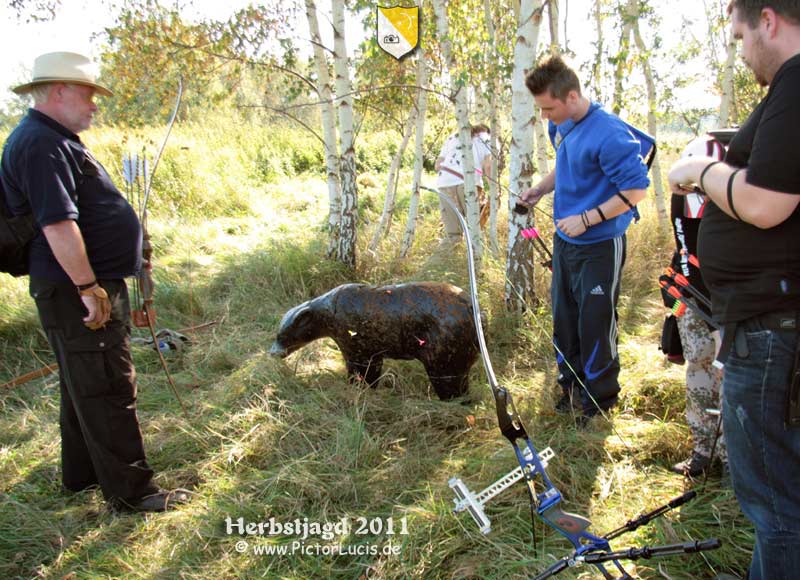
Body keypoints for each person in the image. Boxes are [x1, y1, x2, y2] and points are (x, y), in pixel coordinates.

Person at [0, 51, 188, 512]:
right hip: (77, 290)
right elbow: (58, 225)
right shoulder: (41, 144)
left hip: (86, 287)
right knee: (107, 387)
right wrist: (89, 288)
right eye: (88, 94)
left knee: (82, 383)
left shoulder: (55, 139)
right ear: (59, 91)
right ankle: (132, 494)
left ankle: (81, 476)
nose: (95, 104)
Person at [667, 2, 800, 578]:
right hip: (768, 322)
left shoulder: (795, 84)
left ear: (768, 20)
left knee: (775, 502)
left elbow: (766, 203)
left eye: (741, 35)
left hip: (774, 330)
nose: (742, 50)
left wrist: (698, 171)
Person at [519, 55, 650, 423]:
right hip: (566, 242)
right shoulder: (562, 125)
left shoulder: (610, 133)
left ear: (572, 96)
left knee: (595, 323)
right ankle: (571, 387)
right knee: (565, 319)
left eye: (549, 107)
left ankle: (599, 403)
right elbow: (566, 165)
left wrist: (589, 218)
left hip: (600, 245)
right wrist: (541, 190)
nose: (545, 116)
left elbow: (637, 189)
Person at [667, 134, 728, 477]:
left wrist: (724, 322)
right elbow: (687, 254)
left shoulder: (736, 198)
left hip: (733, 304)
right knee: (699, 368)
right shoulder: (681, 200)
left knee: (730, 378)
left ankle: (736, 461)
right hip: (693, 296)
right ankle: (703, 452)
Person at [434, 124, 492, 243]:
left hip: (444, 182)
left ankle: (452, 258)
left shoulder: (453, 137)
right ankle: (476, 256)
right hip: (468, 182)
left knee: (453, 233)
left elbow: (437, 165)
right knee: (476, 227)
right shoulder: (487, 138)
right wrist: (494, 189)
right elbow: (488, 166)